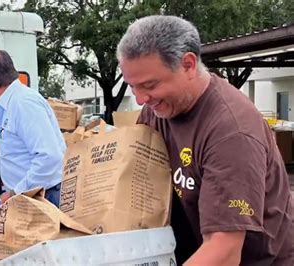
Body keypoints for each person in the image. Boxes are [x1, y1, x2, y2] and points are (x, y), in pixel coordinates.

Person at [117, 15, 293, 265]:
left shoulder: (232, 132)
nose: (140, 98)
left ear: (188, 64)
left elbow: (225, 251)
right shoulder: (159, 109)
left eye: (149, 85)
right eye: (132, 86)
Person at [0, 50, 65, 206]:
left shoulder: (23, 104)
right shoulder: (9, 104)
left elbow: (49, 157)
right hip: (31, 196)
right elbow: (13, 156)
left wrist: (16, 193)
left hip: (43, 197)